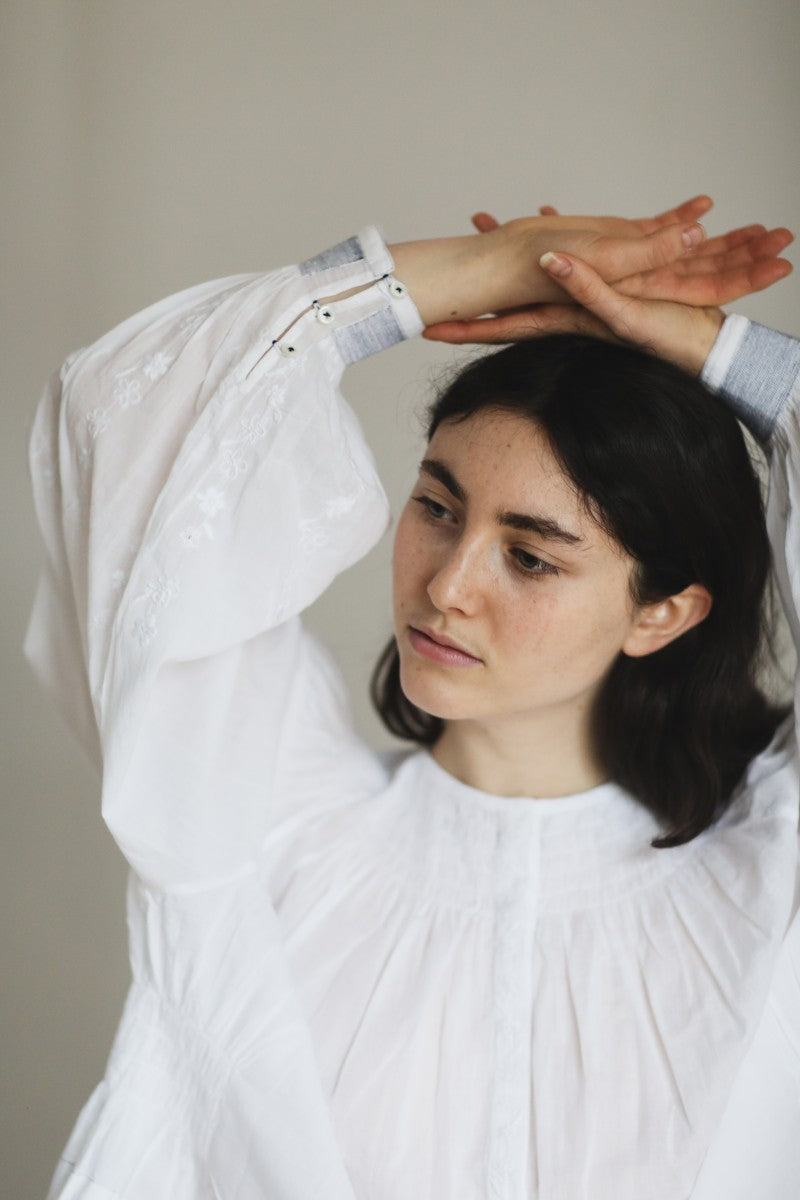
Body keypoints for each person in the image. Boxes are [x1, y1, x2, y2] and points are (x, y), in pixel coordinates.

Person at [25, 199, 798, 1199]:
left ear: (661, 612)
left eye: (527, 556)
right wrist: (498, 266)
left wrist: (713, 353)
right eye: (436, 507)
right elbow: (126, 422)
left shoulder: (768, 881)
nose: (445, 584)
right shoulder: (263, 823)